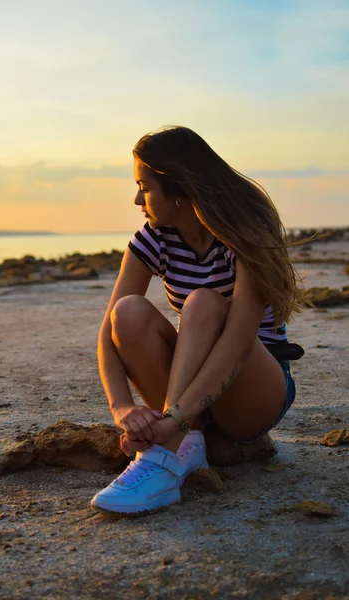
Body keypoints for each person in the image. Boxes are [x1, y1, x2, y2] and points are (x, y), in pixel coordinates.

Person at [90, 126, 302, 515]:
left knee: (203, 303)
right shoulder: (154, 238)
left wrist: (171, 421)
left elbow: (238, 344)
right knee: (127, 312)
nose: (138, 199)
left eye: (145, 186)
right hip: (192, 397)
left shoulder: (244, 233)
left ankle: (168, 456)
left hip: (254, 388)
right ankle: (190, 443)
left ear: (181, 192)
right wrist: (122, 409)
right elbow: (107, 336)